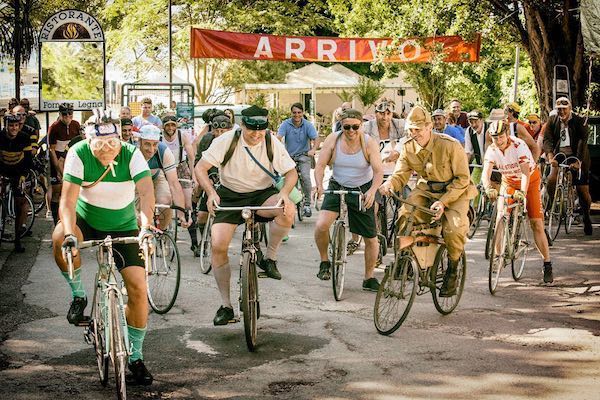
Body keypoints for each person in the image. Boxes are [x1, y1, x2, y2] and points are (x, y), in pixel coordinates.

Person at [52, 110, 155, 385]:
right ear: (88, 140)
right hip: (86, 221)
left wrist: (146, 227)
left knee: (137, 287)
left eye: (112, 143)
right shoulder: (78, 153)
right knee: (60, 237)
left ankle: (135, 356)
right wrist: (71, 235)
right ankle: (79, 294)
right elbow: (68, 201)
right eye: (99, 144)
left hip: (122, 225)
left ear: (120, 139)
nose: (107, 149)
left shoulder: (132, 154)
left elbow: (146, 192)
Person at [195, 105, 297, 325]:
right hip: (230, 194)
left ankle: (270, 258)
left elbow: (291, 172)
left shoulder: (271, 142)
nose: (256, 134)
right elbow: (200, 168)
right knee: (218, 245)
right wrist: (211, 193)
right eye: (252, 129)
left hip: (262, 194)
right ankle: (226, 305)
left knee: (287, 210)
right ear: (242, 125)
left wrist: (284, 194)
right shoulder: (226, 140)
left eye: (261, 129)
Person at [379, 105, 476, 297]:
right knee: (405, 214)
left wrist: (444, 202)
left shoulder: (450, 145)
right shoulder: (408, 148)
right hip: (428, 189)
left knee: (454, 228)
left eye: (418, 129)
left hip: (455, 190)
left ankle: (452, 269)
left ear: (430, 127)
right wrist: (389, 184)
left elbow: (463, 179)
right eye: (411, 130)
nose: (415, 134)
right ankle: (405, 259)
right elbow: (400, 174)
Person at [314, 108, 384, 291]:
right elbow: (320, 165)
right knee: (321, 225)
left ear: (361, 126)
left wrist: (372, 191)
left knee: (370, 237)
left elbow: (378, 172)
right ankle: (324, 262)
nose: (351, 131)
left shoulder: (369, 143)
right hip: (338, 185)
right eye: (347, 127)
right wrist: (319, 185)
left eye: (355, 127)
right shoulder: (333, 139)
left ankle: (369, 278)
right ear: (341, 126)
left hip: (362, 188)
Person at [482, 121, 553, 282]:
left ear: (507, 134)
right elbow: (485, 173)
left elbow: (525, 173)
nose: (498, 141)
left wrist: (522, 192)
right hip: (508, 182)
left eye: (501, 137)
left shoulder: (518, 144)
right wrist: (487, 188)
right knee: (500, 217)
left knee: (536, 223)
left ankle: (547, 263)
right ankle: (498, 257)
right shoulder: (492, 150)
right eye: (495, 138)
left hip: (530, 181)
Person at [542, 97, 593, 235]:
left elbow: (583, 141)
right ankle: (554, 205)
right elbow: (547, 139)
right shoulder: (552, 120)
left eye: (564, 109)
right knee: (551, 179)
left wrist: (579, 162)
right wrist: (550, 156)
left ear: (569, 109)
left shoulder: (579, 121)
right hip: (560, 155)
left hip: (577, 155)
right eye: (559, 109)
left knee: (582, 190)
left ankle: (586, 216)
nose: (562, 112)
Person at [193, 114, 233, 255]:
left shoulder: (236, 140)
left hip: (230, 181)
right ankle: (204, 240)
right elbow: (199, 160)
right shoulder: (207, 139)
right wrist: (205, 178)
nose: (220, 134)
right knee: (202, 216)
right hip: (211, 177)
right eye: (217, 131)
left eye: (223, 131)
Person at [137, 124, 189, 230]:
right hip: (136, 181)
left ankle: (162, 231)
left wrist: (181, 213)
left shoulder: (163, 151)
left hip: (156, 176)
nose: (151, 149)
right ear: (139, 141)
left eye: (155, 144)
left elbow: (174, 184)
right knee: (138, 215)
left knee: (165, 201)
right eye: (147, 144)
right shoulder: (133, 152)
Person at [161, 115, 198, 253]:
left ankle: (195, 243)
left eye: (173, 125)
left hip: (180, 167)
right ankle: (163, 236)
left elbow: (191, 158)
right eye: (168, 125)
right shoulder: (159, 138)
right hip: (164, 168)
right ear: (163, 126)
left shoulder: (183, 136)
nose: (170, 128)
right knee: (166, 202)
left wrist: (193, 176)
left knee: (188, 205)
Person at [277, 102, 320, 217]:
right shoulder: (285, 124)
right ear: (291, 113)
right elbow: (278, 138)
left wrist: (313, 149)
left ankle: (307, 204)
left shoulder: (307, 125)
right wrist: (279, 150)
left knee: (305, 177)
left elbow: (316, 139)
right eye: (294, 113)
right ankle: (290, 202)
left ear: (302, 113)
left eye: (299, 112)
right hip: (289, 156)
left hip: (304, 155)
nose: (297, 115)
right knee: (289, 180)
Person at [0, 114, 34, 252]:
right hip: (2, 171)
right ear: (5, 126)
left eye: (16, 125)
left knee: (20, 203)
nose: (14, 128)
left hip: (18, 173)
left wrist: (23, 176)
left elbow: (27, 161)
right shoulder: (0, 137)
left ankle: (18, 239)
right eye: (11, 125)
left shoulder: (24, 137)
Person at [47, 103, 81, 224]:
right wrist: (57, 168)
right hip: (57, 157)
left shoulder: (76, 124)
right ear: (60, 114)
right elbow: (51, 149)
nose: (67, 117)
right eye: (64, 115)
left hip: (70, 158)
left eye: (70, 114)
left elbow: (78, 144)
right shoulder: (54, 127)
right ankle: (55, 218)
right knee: (57, 190)